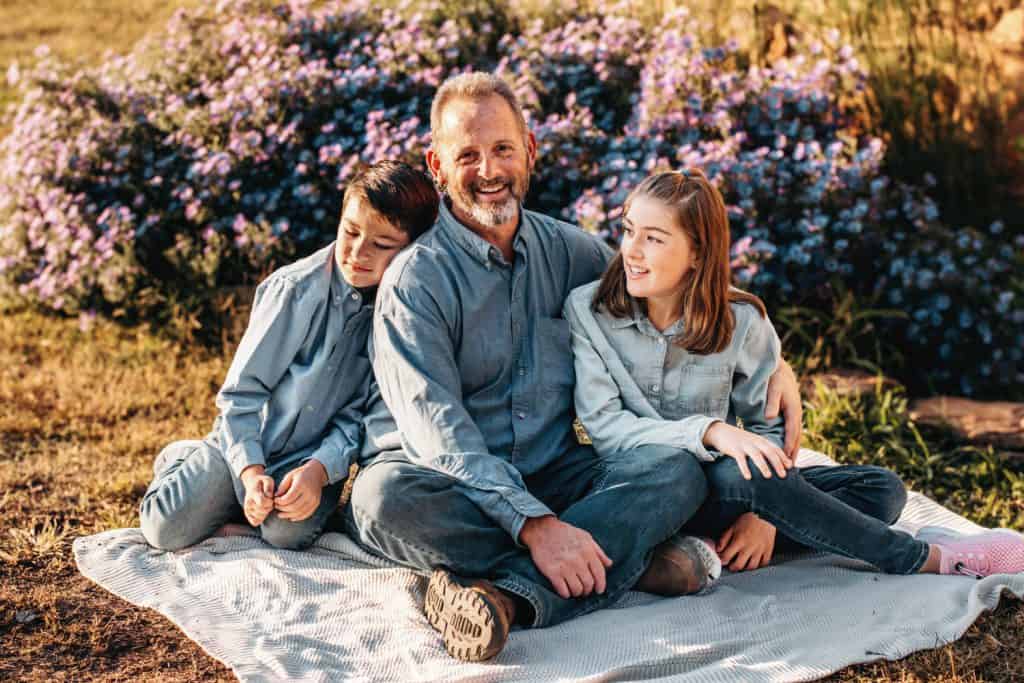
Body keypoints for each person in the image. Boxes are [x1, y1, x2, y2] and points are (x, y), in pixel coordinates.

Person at [342, 72, 805, 663]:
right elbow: (439, 432)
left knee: (675, 472)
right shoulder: (416, 280)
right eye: (468, 156)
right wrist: (536, 527)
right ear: (436, 165)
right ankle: (621, 559)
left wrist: (774, 357)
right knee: (381, 500)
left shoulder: (576, 253)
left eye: (503, 149)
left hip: (557, 473)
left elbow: (671, 283)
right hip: (446, 483)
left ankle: (509, 590)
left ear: (530, 150)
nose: (489, 170)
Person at [563, 168, 1024, 582]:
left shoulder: (740, 320)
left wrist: (762, 518)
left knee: (881, 491)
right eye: (627, 231)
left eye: (654, 238)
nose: (631, 251)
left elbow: (767, 426)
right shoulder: (588, 310)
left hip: (722, 491)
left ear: (698, 255)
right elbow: (605, 429)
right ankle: (926, 559)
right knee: (747, 479)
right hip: (639, 487)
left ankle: (703, 547)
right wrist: (712, 433)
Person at [138, 161, 439, 552]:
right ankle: (185, 459)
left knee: (287, 535)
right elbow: (240, 395)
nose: (359, 253)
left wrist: (317, 472)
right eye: (350, 232)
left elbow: (359, 418)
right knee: (166, 530)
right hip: (246, 446)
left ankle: (237, 512)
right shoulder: (293, 291)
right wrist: (250, 473)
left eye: (382, 245)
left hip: (308, 461)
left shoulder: (399, 316)